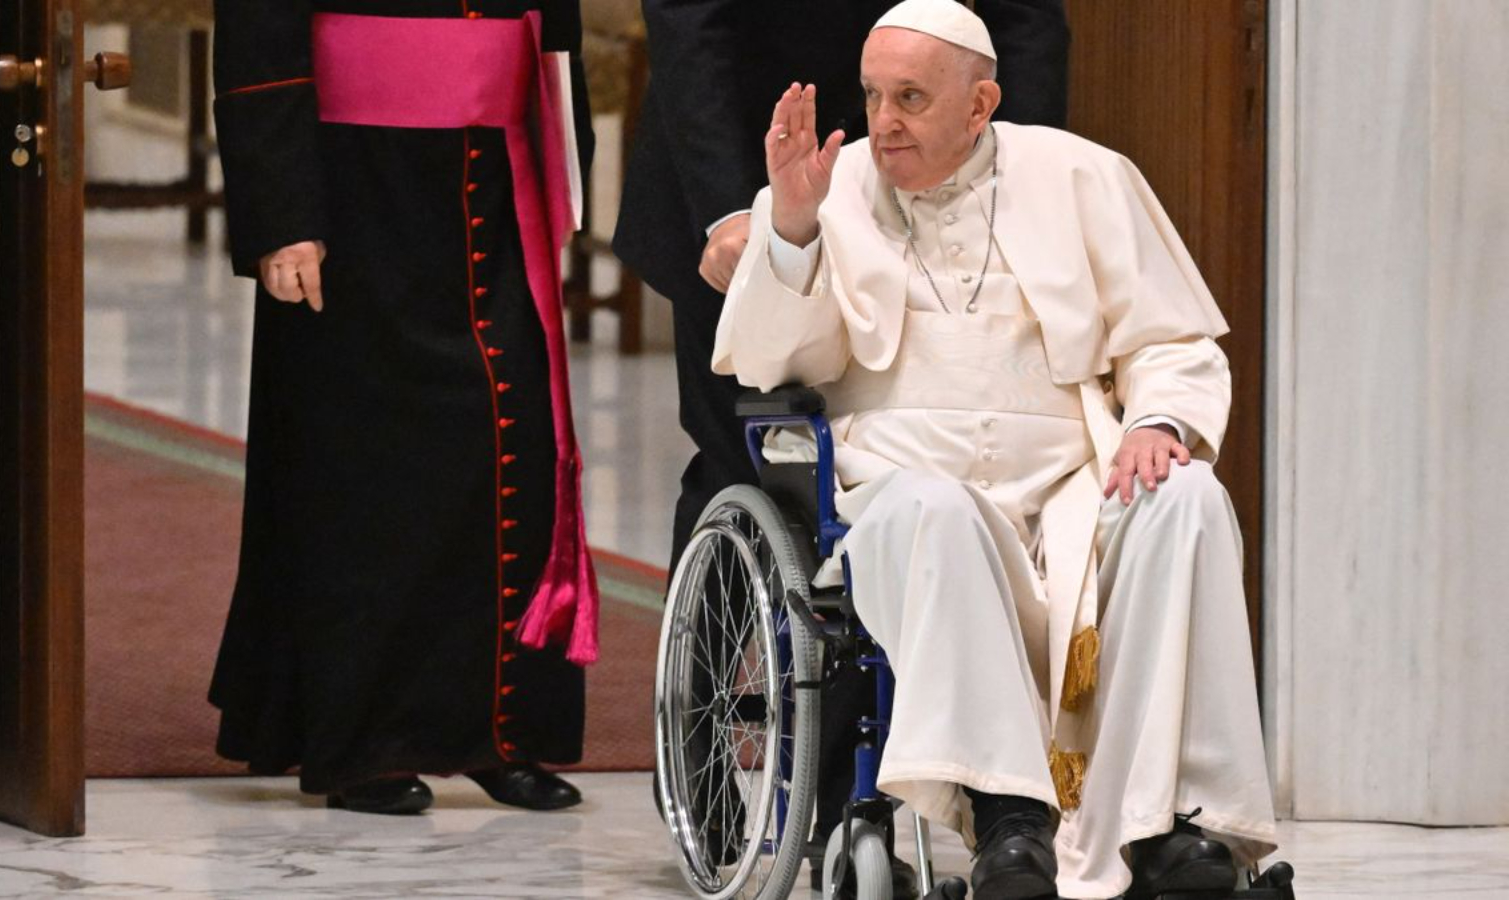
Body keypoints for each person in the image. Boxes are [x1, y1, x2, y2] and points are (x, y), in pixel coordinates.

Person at [711, 1, 1277, 897]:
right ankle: (1009, 820)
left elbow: (1171, 342)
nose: (883, 121)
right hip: (904, 484)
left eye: (911, 98)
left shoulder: (1083, 175)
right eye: (872, 95)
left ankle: (1174, 823)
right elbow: (779, 360)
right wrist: (791, 230)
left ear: (981, 106)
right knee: (935, 510)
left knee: (1188, 498)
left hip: (1073, 493)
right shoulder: (833, 183)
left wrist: (1157, 424)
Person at [613, 0, 1069, 890]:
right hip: (750, 178)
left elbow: (1027, 24)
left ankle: (956, 788)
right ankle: (731, 784)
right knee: (745, 464)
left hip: (933, 186)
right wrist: (728, 215)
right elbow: (693, 29)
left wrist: (1019, 182)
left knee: (900, 470)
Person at [207, 0, 600, 816]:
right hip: (354, 186)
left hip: (499, 168)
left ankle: (503, 733)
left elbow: (553, 21)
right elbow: (258, 26)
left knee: (512, 443)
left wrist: (565, 151)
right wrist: (284, 216)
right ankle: (368, 742)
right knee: (370, 470)